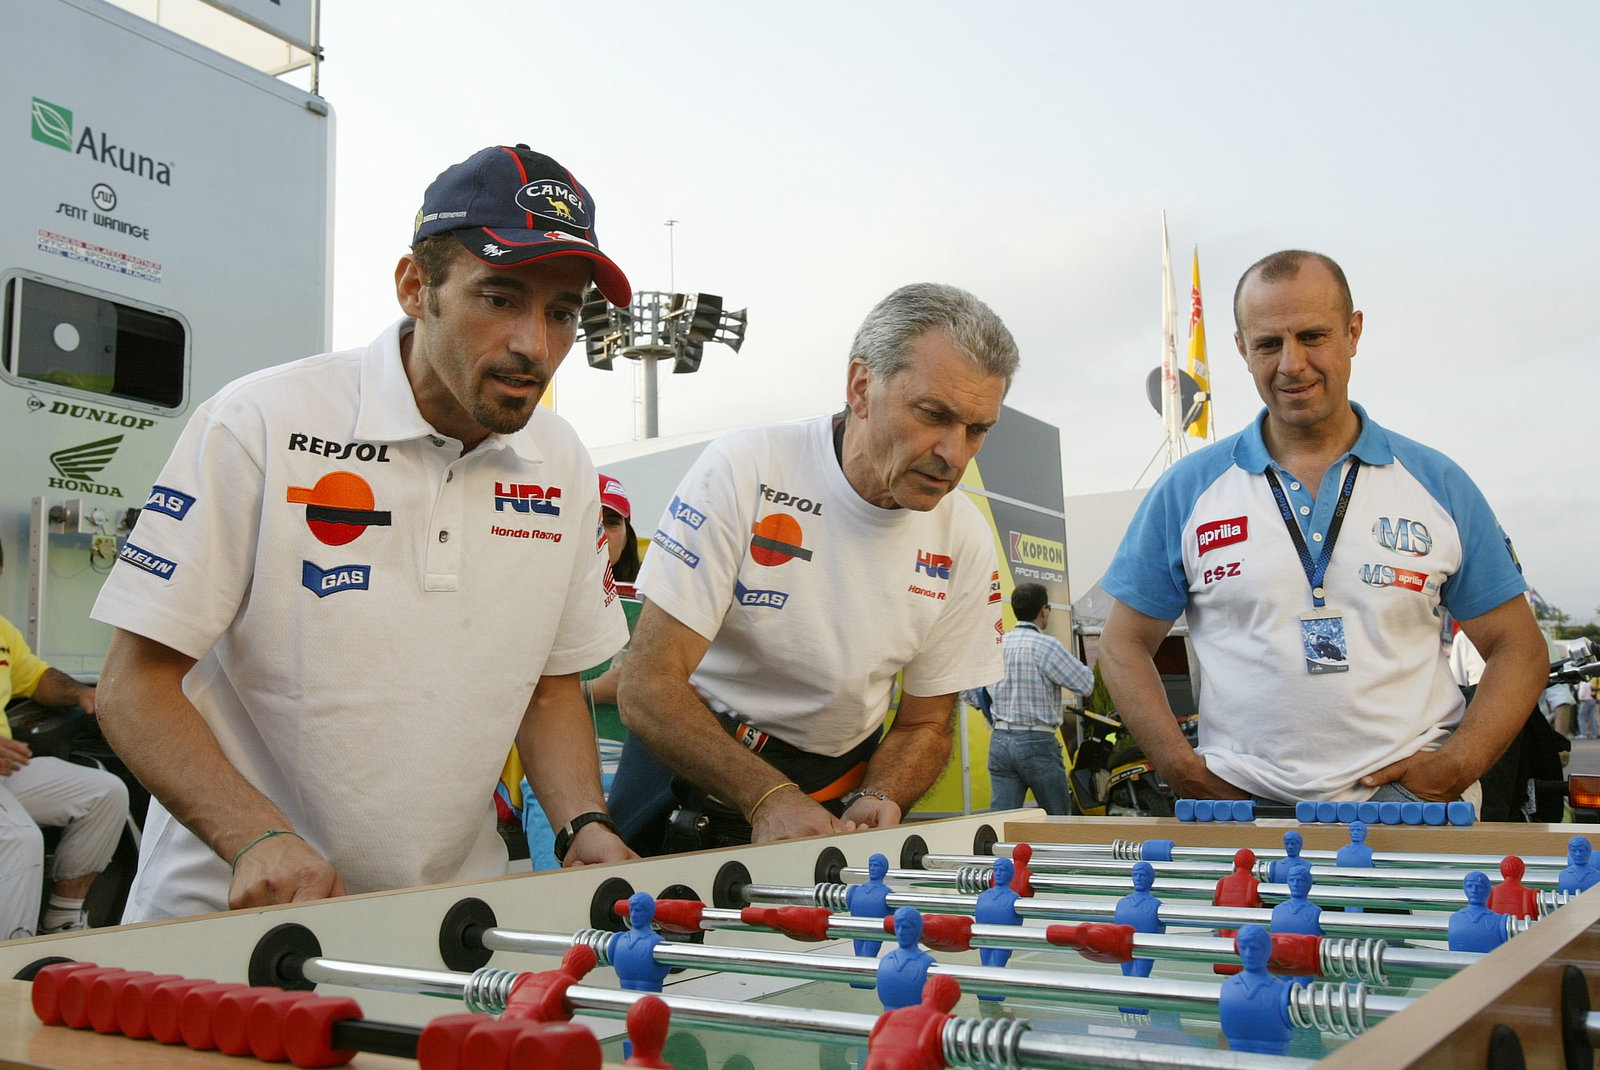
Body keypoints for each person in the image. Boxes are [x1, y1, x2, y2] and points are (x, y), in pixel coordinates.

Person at [91, 144, 634, 922]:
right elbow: (131, 687)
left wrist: (585, 825)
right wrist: (256, 838)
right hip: (228, 924)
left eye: (561, 312)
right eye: (501, 297)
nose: (535, 345)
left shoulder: (563, 461)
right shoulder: (261, 423)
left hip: (447, 922)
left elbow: (548, 685)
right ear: (417, 288)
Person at [1098, 250, 1546, 807]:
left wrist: (1455, 766)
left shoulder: (1438, 483)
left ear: (1353, 332)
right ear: (1241, 348)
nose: (1292, 364)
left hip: (1409, 803)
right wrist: (1179, 767)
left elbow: (1518, 648)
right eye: (1268, 343)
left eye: (1313, 336)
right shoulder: (1188, 491)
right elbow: (1122, 645)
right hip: (1241, 807)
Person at [614, 283, 1018, 851]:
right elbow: (648, 685)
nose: (954, 453)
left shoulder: (964, 537)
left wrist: (883, 795)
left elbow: (925, 724)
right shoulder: (749, 467)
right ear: (861, 387)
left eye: (977, 429)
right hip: (689, 763)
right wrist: (767, 797)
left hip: (836, 785)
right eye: (933, 414)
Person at [1, 536, 127, 937]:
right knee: (19, 838)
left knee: (105, 794)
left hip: (7, 772)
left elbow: (37, 678)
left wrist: (82, 693)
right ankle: (14, 956)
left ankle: (63, 919)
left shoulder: (2, 630)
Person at [965, 582, 1091, 816]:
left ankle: (1000, 854)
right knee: (1057, 819)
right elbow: (1085, 684)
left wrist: (992, 706)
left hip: (1001, 739)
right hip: (1038, 740)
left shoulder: (997, 645)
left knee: (1002, 822)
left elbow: (969, 692)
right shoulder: (1047, 646)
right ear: (1043, 610)